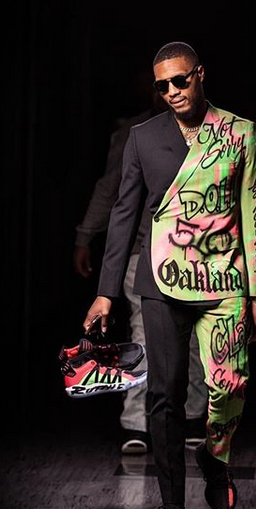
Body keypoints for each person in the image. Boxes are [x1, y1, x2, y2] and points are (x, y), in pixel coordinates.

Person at [83, 41, 256, 509]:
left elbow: (254, 214)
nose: (171, 91)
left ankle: (214, 456)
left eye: (180, 80)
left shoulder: (240, 133)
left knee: (229, 386)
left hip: (225, 280)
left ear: (200, 74)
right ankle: (170, 506)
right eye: (162, 85)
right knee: (164, 393)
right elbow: (124, 212)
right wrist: (106, 291)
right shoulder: (142, 138)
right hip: (162, 282)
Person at [73, 94, 208, 454]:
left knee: (195, 338)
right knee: (144, 336)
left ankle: (192, 419)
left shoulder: (212, 130)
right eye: (162, 85)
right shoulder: (136, 133)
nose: (171, 92)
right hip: (145, 252)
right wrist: (85, 236)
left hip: (195, 255)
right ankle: (137, 422)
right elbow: (114, 191)